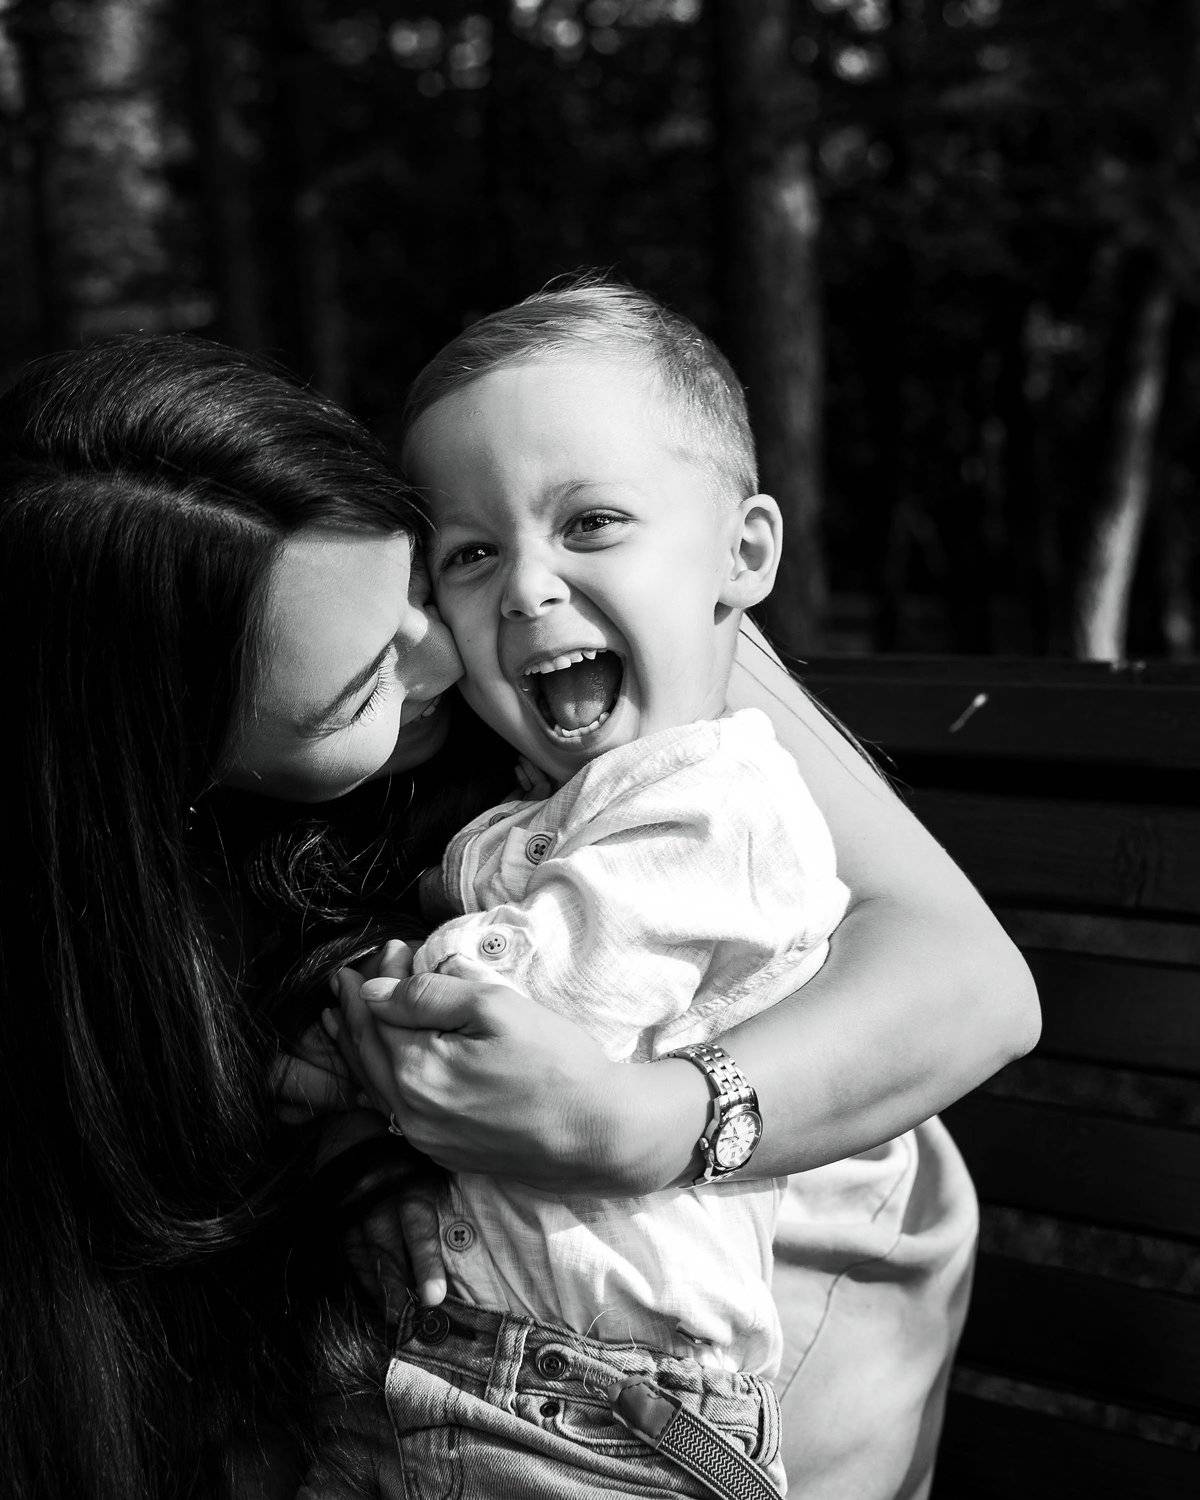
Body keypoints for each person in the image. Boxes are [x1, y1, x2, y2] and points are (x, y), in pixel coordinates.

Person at [0, 330, 1037, 1500]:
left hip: (754, 1276)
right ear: (188, 775)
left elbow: (972, 984)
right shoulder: (110, 927)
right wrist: (357, 1148)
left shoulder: (629, 592)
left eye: (415, 582)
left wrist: (654, 1121)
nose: (451, 651)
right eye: (363, 688)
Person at [317, 283, 1038, 1500]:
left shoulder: (708, 786)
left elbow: (977, 987)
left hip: (659, 1384)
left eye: (591, 522)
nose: (528, 586)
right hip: (496, 1358)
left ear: (742, 554)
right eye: (471, 554)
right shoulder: (541, 774)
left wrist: (373, 1014)